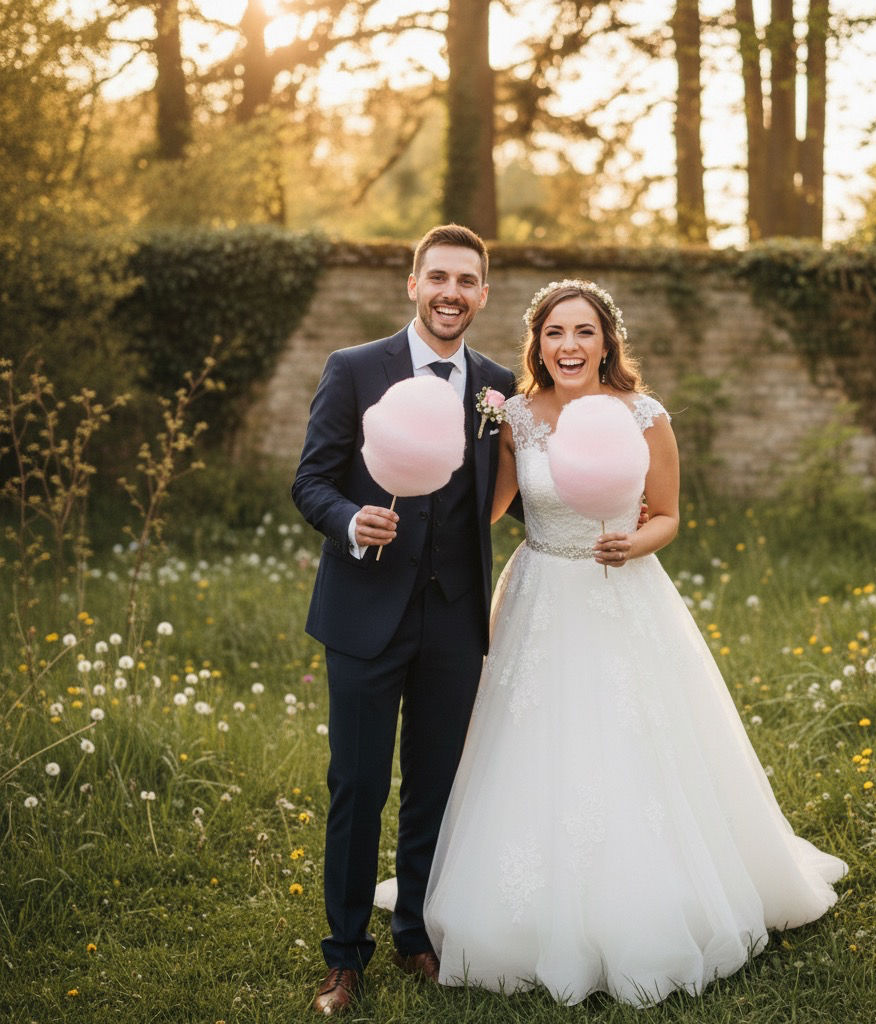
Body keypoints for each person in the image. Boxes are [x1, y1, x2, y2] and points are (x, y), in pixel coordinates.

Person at [422, 279, 847, 1007]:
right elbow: (490, 511)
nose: (568, 347)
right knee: (530, 743)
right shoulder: (517, 417)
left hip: (620, 593)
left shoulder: (643, 415)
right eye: (555, 333)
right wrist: (432, 481)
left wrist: (634, 541)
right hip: (538, 595)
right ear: (538, 344)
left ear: (607, 341)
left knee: (628, 741)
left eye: (583, 332)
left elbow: (669, 516)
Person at [291, 224, 519, 1015]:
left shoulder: (496, 386)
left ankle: (414, 930)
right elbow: (311, 481)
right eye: (438, 277)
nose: (451, 293)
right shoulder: (354, 370)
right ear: (412, 284)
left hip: (455, 619)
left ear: (483, 295)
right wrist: (353, 521)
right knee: (357, 784)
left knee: (434, 786)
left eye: (467, 281)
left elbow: (518, 490)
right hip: (364, 615)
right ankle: (344, 955)